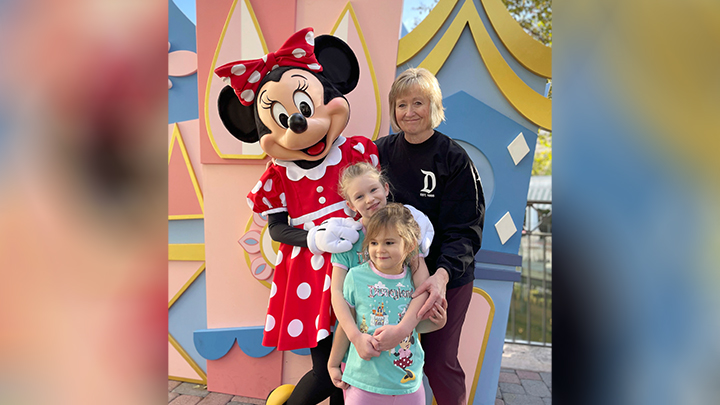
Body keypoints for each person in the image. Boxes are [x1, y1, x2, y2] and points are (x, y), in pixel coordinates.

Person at [375, 67, 485, 405]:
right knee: (389, 358)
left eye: (418, 103)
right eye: (402, 104)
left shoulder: (454, 160)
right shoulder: (380, 152)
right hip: (391, 278)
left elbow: (464, 231)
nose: (409, 112)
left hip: (443, 277)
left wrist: (440, 278)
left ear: (433, 107)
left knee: (438, 361)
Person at [327, 203, 447, 404]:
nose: (380, 250)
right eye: (373, 243)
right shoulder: (356, 277)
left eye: (389, 243)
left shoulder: (415, 282)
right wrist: (333, 363)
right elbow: (346, 324)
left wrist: (439, 322)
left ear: (409, 246)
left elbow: (417, 326)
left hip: (408, 384)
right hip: (363, 384)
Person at [328, 162, 440, 365]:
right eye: (359, 196)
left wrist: (402, 329)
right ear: (351, 205)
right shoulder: (347, 242)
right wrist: (355, 338)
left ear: (385, 188)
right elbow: (337, 294)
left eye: (373, 190)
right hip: (357, 342)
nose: (369, 199)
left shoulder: (405, 236)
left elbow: (422, 287)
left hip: (400, 350)